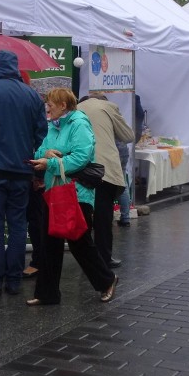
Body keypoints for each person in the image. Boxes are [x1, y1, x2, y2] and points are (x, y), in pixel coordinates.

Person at [27, 89, 119, 307]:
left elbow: (81, 158)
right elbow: (40, 151)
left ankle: (107, 280)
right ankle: (47, 293)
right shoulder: (53, 125)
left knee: (79, 243)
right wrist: (45, 154)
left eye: (51, 104)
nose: (47, 107)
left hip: (76, 193)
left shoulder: (79, 124)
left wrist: (50, 163)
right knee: (49, 242)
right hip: (55, 191)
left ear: (63, 105)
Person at [0, 50, 47, 296]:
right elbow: (41, 134)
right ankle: (14, 280)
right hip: (23, 169)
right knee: (18, 224)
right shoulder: (31, 95)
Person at [77, 92, 135, 268]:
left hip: (79, 168)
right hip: (103, 170)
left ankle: (86, 257)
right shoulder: (108, 107)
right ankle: (103, 258)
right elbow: (128, 136)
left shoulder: (75, 109)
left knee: (83, 216)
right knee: (103, 217)